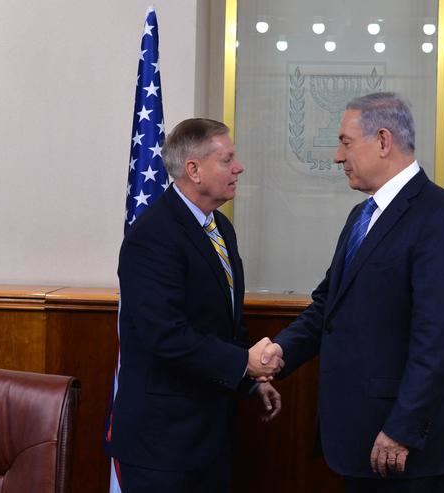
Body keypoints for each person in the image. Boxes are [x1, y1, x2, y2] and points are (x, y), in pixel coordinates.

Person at [264, 93, 444, 492]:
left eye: (345, 143)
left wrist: (402, 428)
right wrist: (279, 351)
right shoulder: (362, 216)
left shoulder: (440, 216)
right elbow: (329, 304)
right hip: (362, 438)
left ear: (383, 141)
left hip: (407, 449)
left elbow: (438, 339)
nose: (337, 157)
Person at [106, 118, 284, 492]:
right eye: (227, 160)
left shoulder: (220, 228)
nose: (239, 167)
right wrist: (244, 363)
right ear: (194, 169)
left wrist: (250, 382)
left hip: (210, 437)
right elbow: (165, 334)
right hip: (162, 445)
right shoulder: (152, 236)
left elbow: (225, 322)